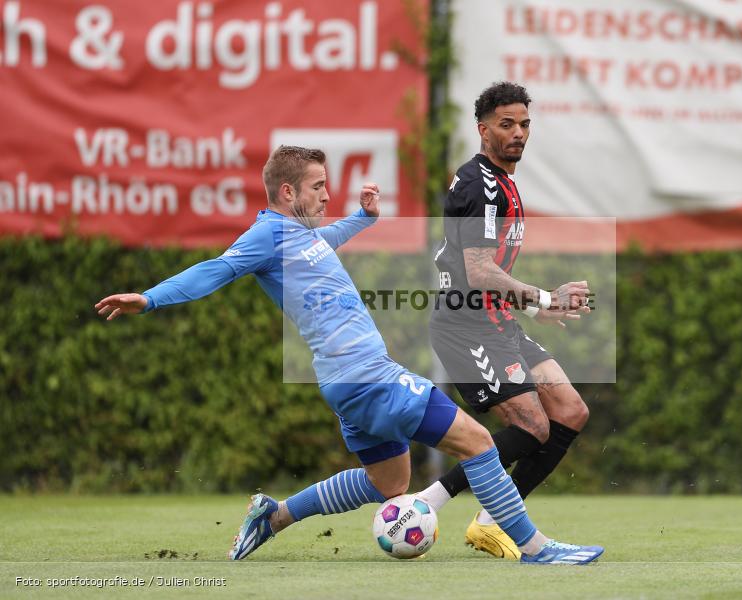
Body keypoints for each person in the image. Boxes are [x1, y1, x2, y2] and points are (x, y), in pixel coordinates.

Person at [95, 145, 604, 565]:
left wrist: (362, 219)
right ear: (288, 192)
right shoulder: (265, 235)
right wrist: (150, 298)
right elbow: (216, 269)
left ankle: (274, 516)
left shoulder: (297, 235)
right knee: (478, 443)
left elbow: (325, 239)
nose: (326, 195)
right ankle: (535, 548)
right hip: (367, 376)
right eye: (318, 187)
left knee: (391, 482)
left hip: (346, 382)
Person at [417, 81, 594, 560]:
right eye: (506, 124)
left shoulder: (500, 180)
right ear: (483, 129)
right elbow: (478, 271)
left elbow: (487, 273)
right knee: (533, 426)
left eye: (524, 124)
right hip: (466, 327)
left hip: (496, 322)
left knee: (570, 411)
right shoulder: (482, 186)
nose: (518, 133)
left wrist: (535, 308)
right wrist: (545, 297)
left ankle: (490, 521)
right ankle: (427, 502)